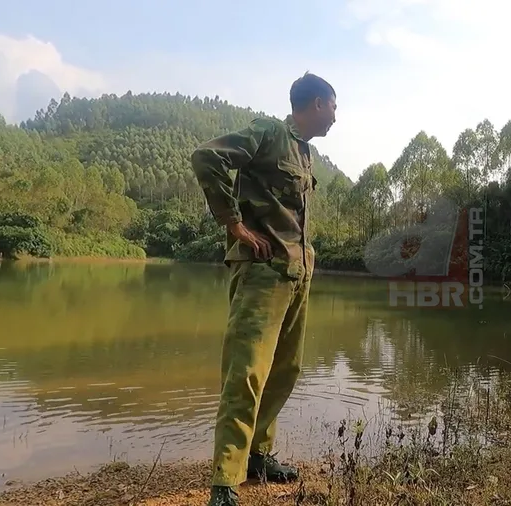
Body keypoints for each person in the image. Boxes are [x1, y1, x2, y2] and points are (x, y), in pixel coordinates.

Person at [190, 72, 337, 506]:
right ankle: (224, 481)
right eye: (333, 106)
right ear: (314, 104)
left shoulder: (305, 154)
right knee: (247, 372)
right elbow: (206, 157)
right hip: (261, 273)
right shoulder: (269, 133)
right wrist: (233, 223)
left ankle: (257, 456)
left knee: (283, 371)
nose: (335, 116)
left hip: (296, 276)